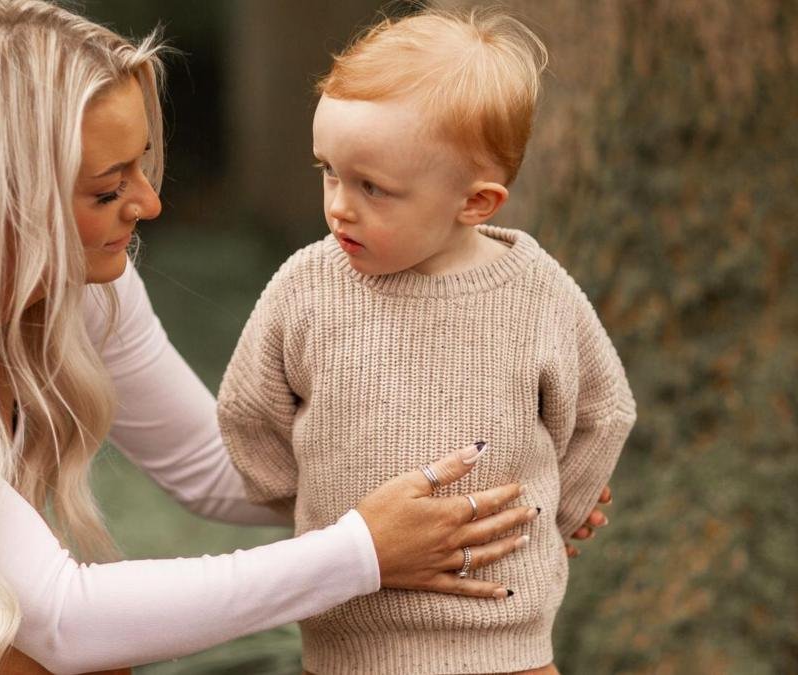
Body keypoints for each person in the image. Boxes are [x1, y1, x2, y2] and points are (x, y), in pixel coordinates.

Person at [0, 2, 605, 673]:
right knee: (6, 642)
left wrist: (484, 490)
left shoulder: (80, 288)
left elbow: (228, 472)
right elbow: (65, 622)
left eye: (142, 166)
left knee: (3, 628)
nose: (151, 202)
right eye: (107, 187)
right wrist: (359, 554)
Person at [217, 8, 637, 675]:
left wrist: (552, 515)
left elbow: (602, 410)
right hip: (347, 643)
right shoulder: (306, 288)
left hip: (507, 645)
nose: (338, 206)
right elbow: (248, 413)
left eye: (373, 187)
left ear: (475, 203)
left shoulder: (533, 290)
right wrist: (322, 508)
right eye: (330, 171)